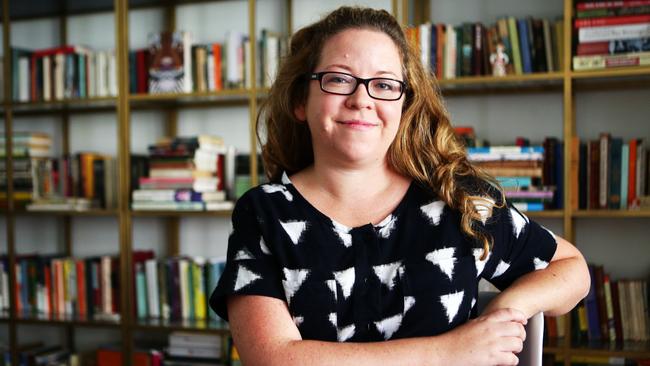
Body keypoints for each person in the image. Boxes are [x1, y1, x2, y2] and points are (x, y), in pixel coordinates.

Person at [210, 6, 590, 366]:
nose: (362, 100)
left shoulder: (456, 198)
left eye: (384, 84)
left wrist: (509, 310)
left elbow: (571, 269)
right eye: (339, 79)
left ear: (404, 105)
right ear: (300, 100)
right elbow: (273, 358)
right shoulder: (264, 212)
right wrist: (448, 353)